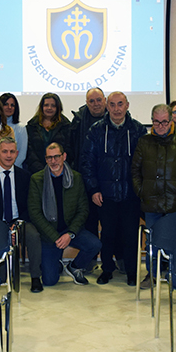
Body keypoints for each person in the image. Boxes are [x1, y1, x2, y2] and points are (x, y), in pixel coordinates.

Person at [81, 91, 147, 286]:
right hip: (105, 194)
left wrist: (140, 190)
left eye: (120, 104)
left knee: (130, 234)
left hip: (130, 194)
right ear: (107, 106)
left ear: (127, 105)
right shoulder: (96, 130)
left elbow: (145, 163)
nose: (117, 109)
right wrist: (93, 189)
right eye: (113, 104)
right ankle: (107, 269)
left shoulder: (138, 130)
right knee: (107, 234)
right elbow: (87, 162)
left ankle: (132, 271)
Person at [131, 103, 176, 286]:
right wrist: (141, 191)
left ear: (171, 121)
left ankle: (175, 274)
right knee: (152, 241)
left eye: (164, 122)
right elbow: (135, 171)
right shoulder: (144, 142)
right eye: (156, 122)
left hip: (175, 202)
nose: (160, 126)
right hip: (151, 203)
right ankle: (152, 275)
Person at [0, 137, 44, 293]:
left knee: (33, 236)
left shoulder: (25, 177)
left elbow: (30, 207)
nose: (8, 155)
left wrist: (16, 226)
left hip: (20, 221)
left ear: (17, 153)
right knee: (3, 277)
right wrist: (3, 230)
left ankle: (35, 277)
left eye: (12, 152)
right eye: (4, 151)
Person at [28, 143, 101, 287]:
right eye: (49, 158)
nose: (53, 161)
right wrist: (56, 237)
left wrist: (70, 234)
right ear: (45, 159)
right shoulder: (37, 180)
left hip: (70, 230)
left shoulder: (76, 177)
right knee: (49, 281)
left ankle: (74, 267)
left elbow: (83, 209)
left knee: (95, 244)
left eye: (56, 157)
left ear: (64, 156)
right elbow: (34, 213)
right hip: (49, 235)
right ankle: (56, 263)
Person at [69, 87, 107, 251]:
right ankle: (90, 258)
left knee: (110, 224)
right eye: (91, 101)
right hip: (84, 179)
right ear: (86, 103)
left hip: (109, 180)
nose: (96, 104)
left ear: (105, 100)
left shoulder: (115, 119)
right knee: (88, 220)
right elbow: (71, 150)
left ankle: (111, 260)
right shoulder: (78, 121)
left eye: (99, 100)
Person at [26, 93, 71, 174]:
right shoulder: (32, 126)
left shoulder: (66, 126)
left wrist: (57, 167)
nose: (49, 108)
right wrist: (40, 170)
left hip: (60, 171)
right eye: (46, 105)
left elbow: (68, 149)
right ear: (41, 107)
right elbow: (30, 151)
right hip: (36, 172)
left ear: (58, 108)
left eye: (53, 105)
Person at [0, 93, 28, 168]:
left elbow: (22, 156)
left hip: (15, 170)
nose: (9, 107)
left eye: (12, 105)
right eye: (6, 104)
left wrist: (8, 169)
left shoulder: (21, 128)